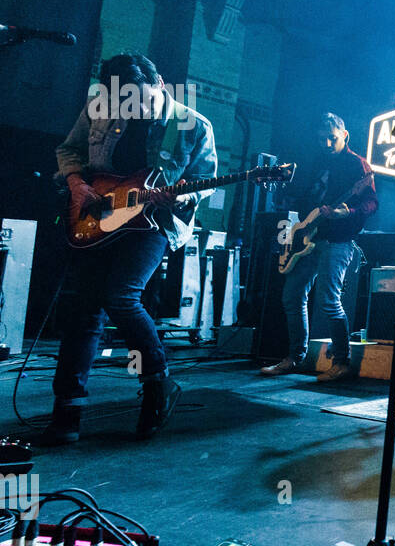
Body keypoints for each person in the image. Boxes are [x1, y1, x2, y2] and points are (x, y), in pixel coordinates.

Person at [43, 52, 218, 445]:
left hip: (152, 222)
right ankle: (67, 414)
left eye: (136, 99)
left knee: (120, 296)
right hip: (97, 214)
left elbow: (203, 183)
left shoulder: (191, 124)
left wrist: (183, 199)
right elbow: (69, 150)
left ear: (158, 85)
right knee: (83, 308)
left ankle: (159, 385)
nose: (128, 109)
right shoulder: (99, 107)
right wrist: (76, 184)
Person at [261, 112, 377, 382]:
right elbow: (307, 196)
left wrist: (347, 212)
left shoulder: (358, 165)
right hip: (308, 238)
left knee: (328, 301)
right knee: (291, 296)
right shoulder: (317, 161)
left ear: (344, 135)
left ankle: (341, 362)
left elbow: (371, 204)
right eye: (321, 138)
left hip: (338, 242)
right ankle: (294, 357)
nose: (326, 143)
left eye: (332, 138)